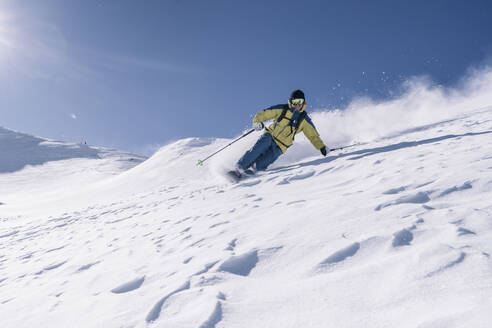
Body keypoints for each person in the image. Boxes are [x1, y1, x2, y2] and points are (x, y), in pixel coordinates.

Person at [232, 89, 328, 179]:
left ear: (303, 103)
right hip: (270, 136)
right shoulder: (283, 109)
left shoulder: (303, 119)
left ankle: (252, 170)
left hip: (281, 146)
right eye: (295, 102)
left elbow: (313, 135)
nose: (297, 105)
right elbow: (264, 114)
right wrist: (257, 122)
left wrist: (321, 147)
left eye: (300, 101)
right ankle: (239, 169)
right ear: (291, 101)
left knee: (264, 163)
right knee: (257, 149)